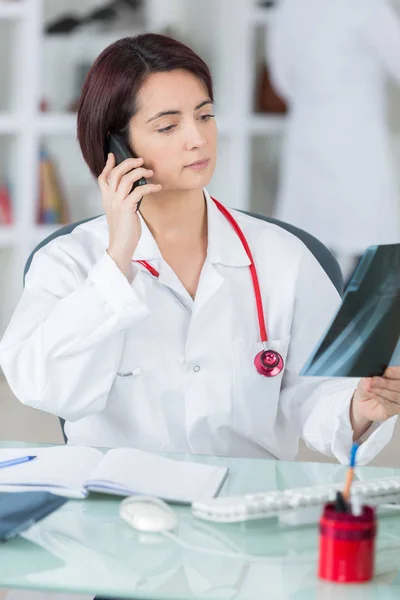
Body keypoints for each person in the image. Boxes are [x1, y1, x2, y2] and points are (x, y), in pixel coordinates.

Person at [0, 33, 399, 465]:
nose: (198, 138)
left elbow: (321, 393)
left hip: (244, 503)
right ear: (116, 146)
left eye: (205, 116)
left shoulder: (284, 256)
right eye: (168, 125)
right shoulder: (69, 260)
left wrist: (359, 408)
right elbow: (39, 384)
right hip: (118, 507)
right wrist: (117, 260)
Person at [267, 0, 400, 279]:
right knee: (366, 245)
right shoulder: (365, 5)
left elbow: (282, 78)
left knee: (308, 244)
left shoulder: (289, 6)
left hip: (306, 128)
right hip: (357, 134)